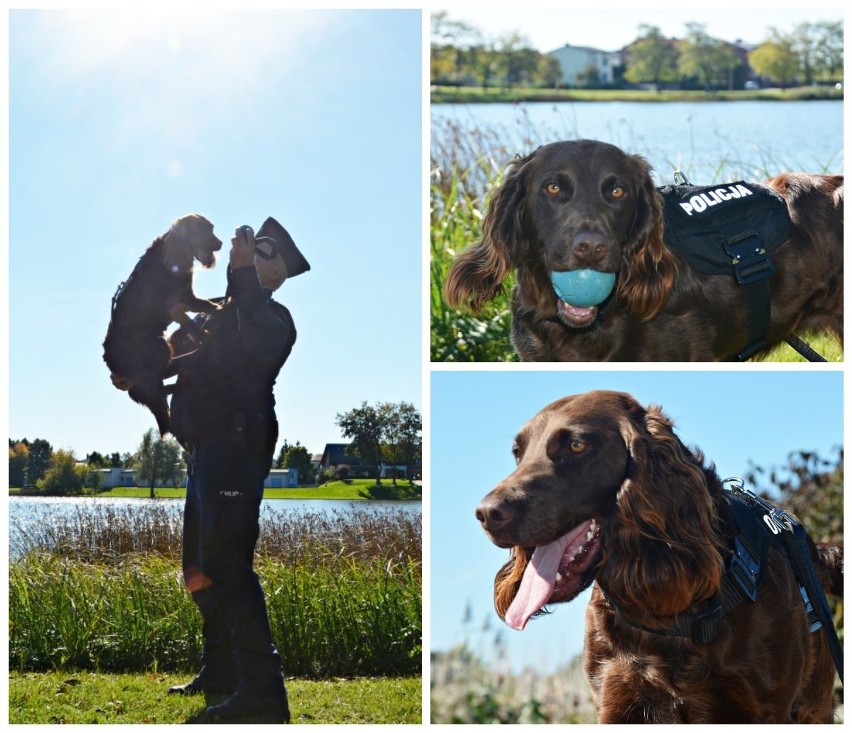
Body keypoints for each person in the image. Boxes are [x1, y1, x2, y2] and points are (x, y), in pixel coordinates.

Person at [165, 219, 306, 723]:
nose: (247, 252)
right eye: (250, 248)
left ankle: (263, 694)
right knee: (198, 570)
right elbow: (186, 360)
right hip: (205, 450)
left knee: (225, 564)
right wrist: (139, 370)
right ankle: (221, 673)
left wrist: (242, 275)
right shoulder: (223, 314)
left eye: (263, 251)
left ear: (281, 271)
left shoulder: (274, 318)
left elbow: (253, 344)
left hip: (237, 445)